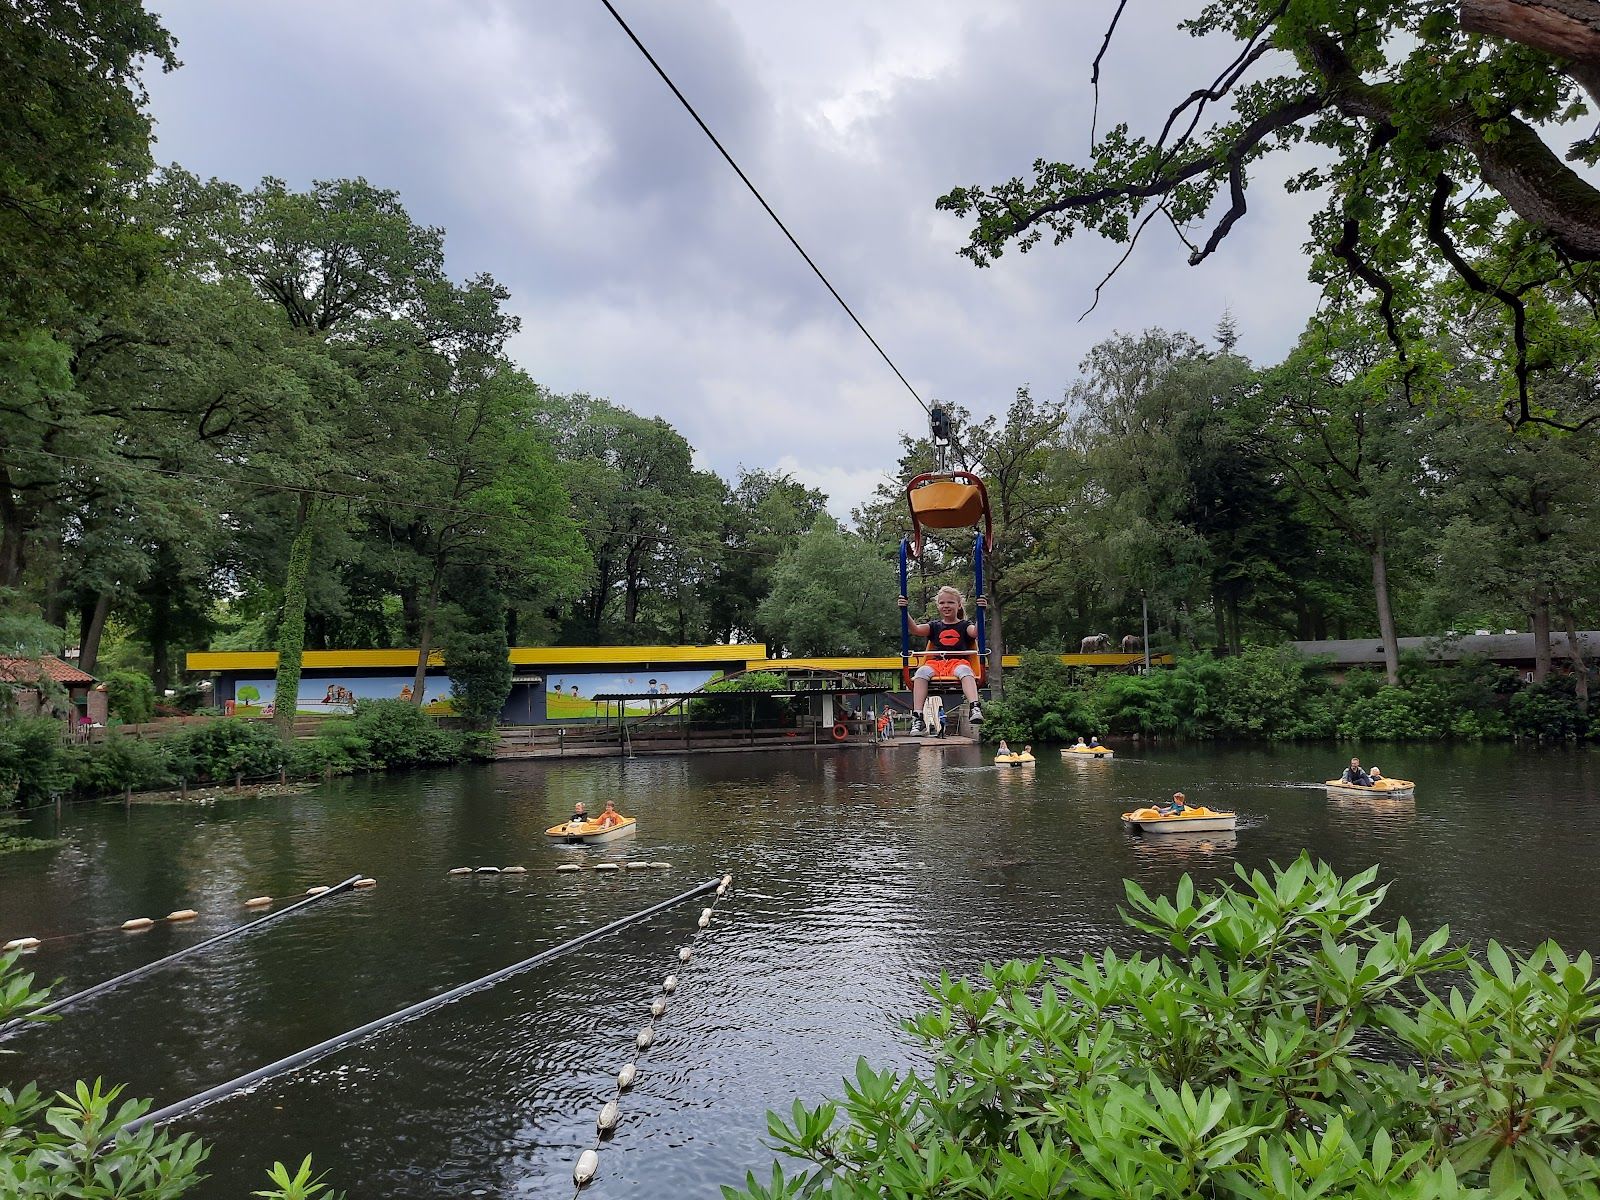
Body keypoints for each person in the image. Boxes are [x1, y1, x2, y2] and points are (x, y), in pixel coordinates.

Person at [900, 585, 985, 734]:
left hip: (957, 662)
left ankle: (975, 707)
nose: (946, 606)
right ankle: (918, 716)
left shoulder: (965, 625)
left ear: (959, 605)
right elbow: (915, 630)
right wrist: (904, 611)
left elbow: (976, 632)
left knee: (965, 671)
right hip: (937, 663)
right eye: (942, 603)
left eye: (950, 602)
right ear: (938, 606)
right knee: (921, 673)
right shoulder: (934, 626)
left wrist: (981, 613)